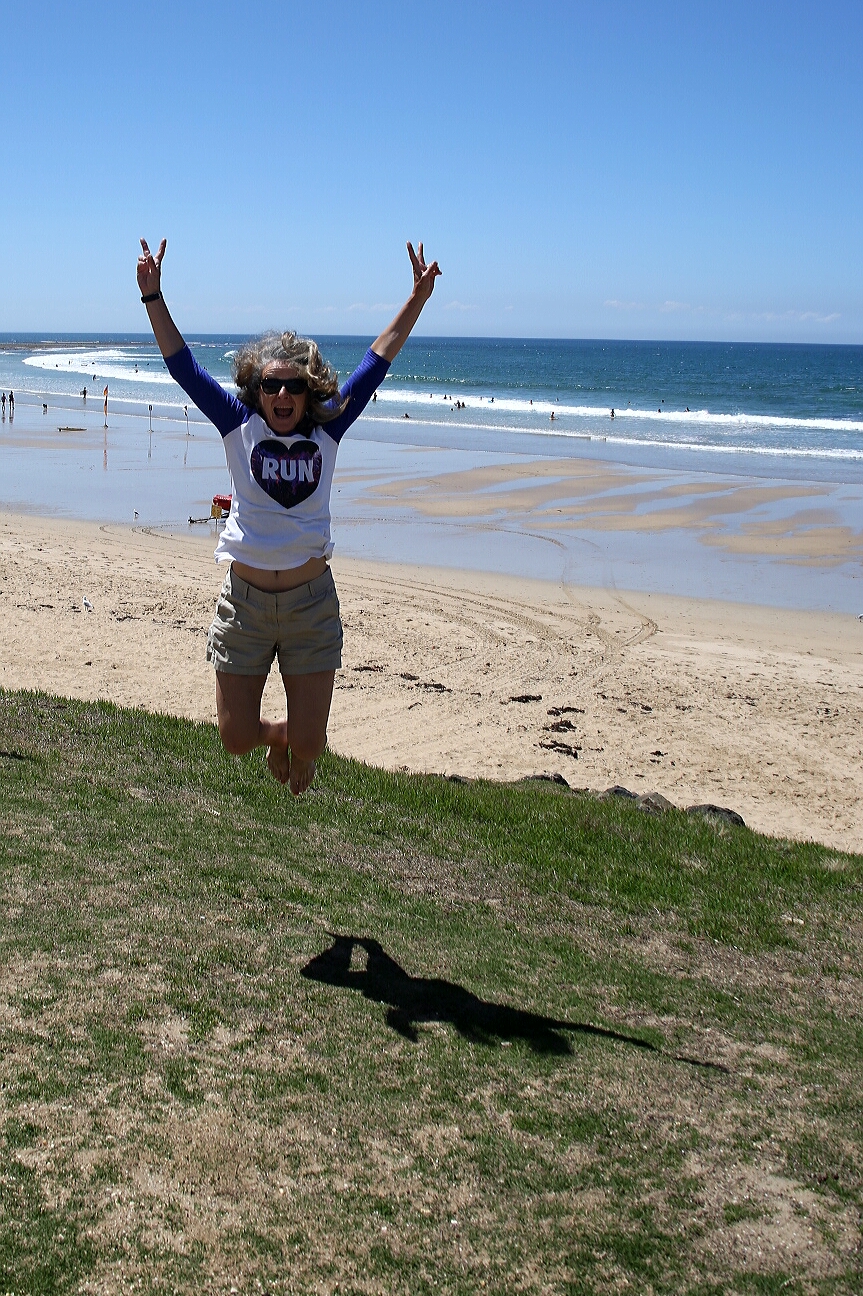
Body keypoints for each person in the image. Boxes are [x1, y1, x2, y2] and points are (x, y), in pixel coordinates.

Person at [137, 235, 440, 795]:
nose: (281, 394)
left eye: (292, 386)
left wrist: (416, 299)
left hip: (309, 604)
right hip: (245, 603)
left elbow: (377, 362)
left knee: (311, 745)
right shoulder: (238, 424)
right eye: (270, 384)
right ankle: (273, 734)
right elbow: (183, 368)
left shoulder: (328, 428)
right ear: (257, 389)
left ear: (309, 391)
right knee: (234, 738)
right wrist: (153, 297)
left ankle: (293, 739)